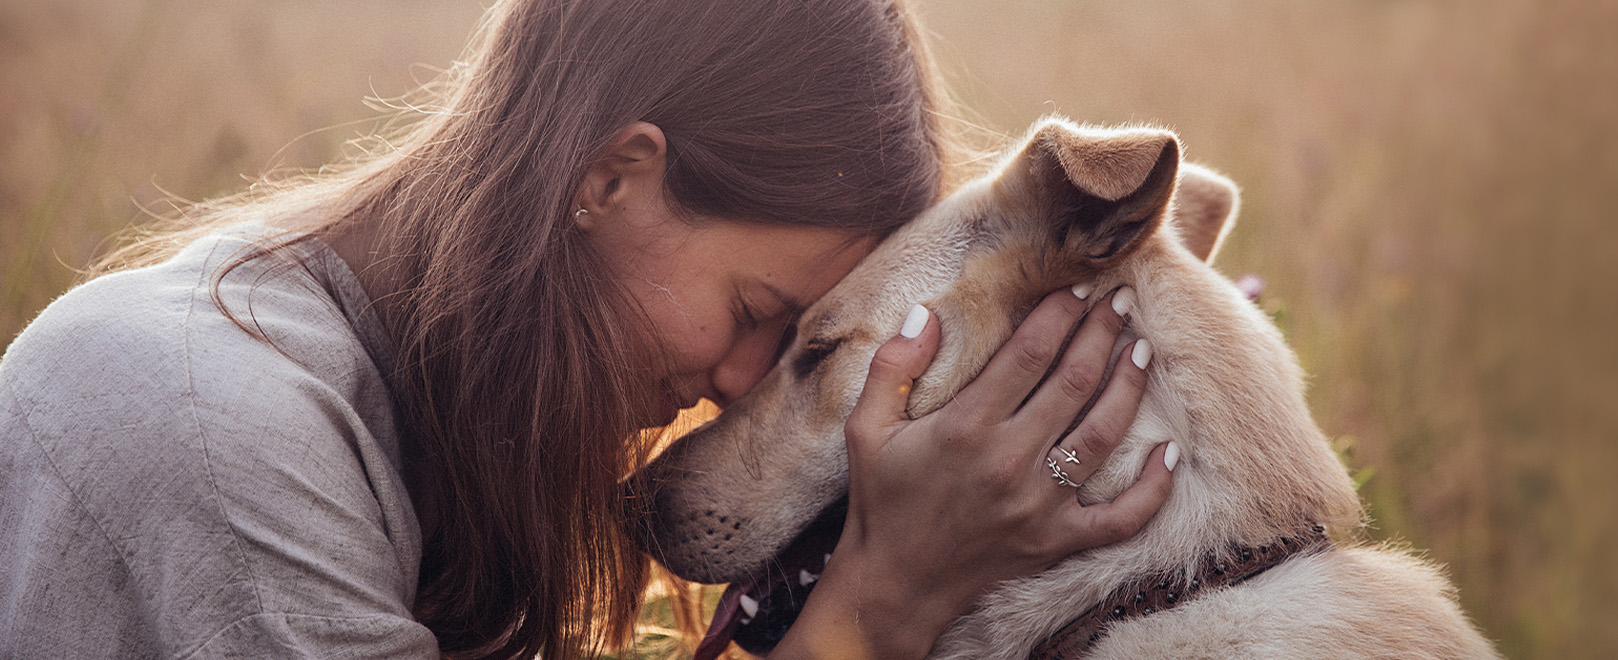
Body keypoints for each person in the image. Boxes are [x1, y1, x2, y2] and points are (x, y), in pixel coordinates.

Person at [0, 0, 1175, 658]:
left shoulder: (389, 403)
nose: (735, 384)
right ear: (612, 176)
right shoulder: (216, 427)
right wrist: (879, 609)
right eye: (755, 314)